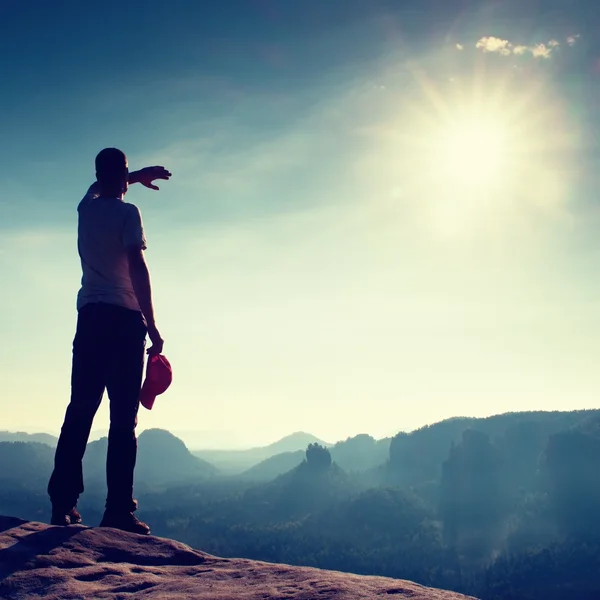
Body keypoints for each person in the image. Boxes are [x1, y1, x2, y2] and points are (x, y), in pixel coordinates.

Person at [47, 148, 171, 535]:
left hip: (90, 319)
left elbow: (103, 187)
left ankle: (63, 504)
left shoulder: (86, 208)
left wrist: (130, 177)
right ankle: (118, 510)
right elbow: (137, 264)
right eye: (129, 175)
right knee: (122, 419)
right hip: (123, 322)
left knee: (80, 410)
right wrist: (152, 324)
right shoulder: (127, 214)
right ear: (120, 176)